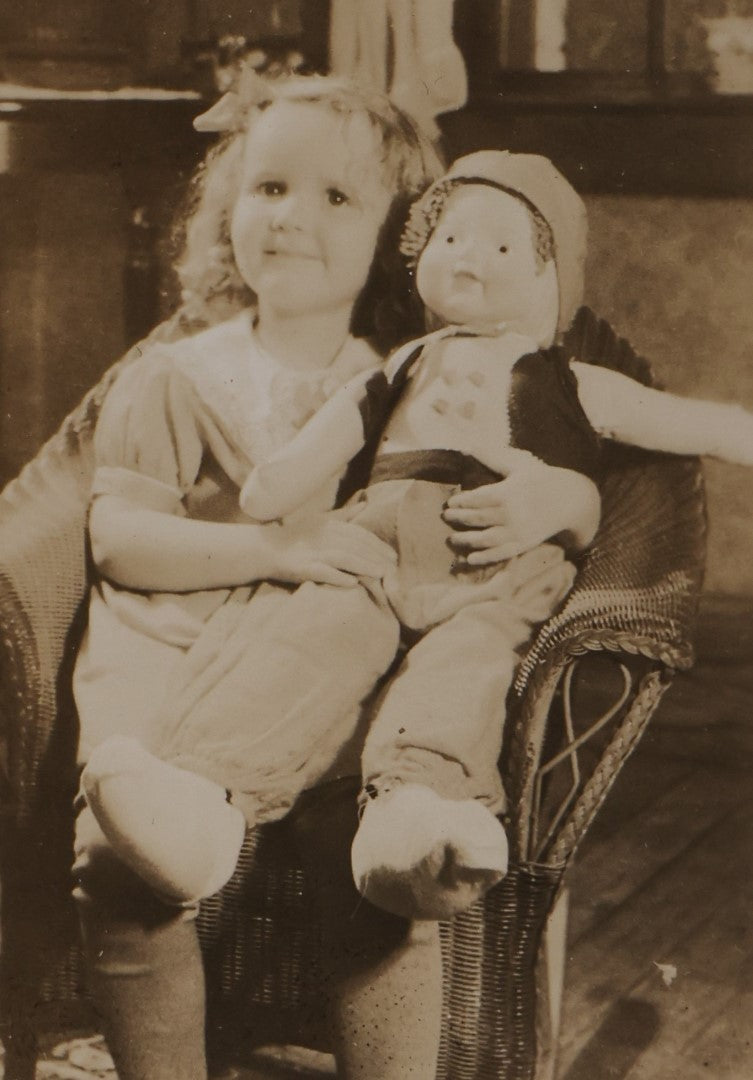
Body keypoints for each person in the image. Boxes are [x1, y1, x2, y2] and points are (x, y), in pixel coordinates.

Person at [71, 76, 600, 1080]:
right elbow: (119, 542)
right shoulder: (178, 375)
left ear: (401, 237)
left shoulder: (412, 379)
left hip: (326, 659)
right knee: (121, 857)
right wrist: (273, 551)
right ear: (229, 208)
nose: (291, 220)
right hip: (172, 643)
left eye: (336, 199)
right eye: (269, 188)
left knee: (374, 849)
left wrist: (560, 503)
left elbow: (574, 469)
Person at [82, 148, 753, 932]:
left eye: (501, 247)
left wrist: (568, 499)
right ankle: (198, 802)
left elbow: (689, 423)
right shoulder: (399, 366)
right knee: (305, 643)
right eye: (450, 239)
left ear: (547, 279)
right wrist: (276, 486)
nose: (468, 260)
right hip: (374, 552)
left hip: (491, 576)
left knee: (459, 674)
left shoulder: (570, 381)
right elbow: (325, 442)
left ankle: (419, 821)